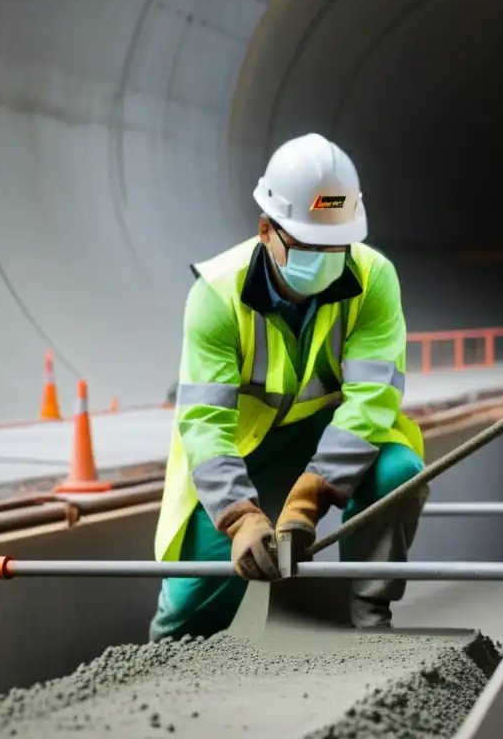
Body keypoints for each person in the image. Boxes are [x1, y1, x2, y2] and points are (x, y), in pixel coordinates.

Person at [150, 133, 426, 640]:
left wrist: (311, 496)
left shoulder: (374, 278)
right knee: (190, 601)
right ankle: (166, 660)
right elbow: (205, 423)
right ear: (267, 230)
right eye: (307, 246)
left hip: (335, 443)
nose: (323, 259)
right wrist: (236, 516)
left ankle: (370, 617)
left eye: (335, 247)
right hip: (246, 451)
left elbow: (371, 400)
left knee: (399, 472)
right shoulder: (216, 294)